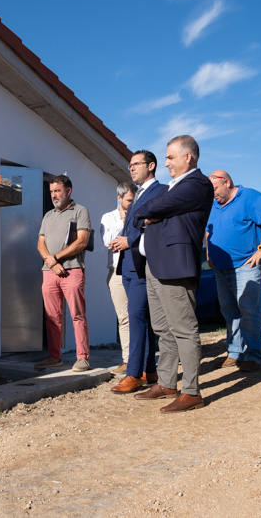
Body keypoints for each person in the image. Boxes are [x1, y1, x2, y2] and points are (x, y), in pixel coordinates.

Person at [132, 135, 214, 412]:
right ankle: (167, 382)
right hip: (155, 265)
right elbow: (141, 211)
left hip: (175, 265)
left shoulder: (197, 183)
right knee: (162, 328)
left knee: (183, 329)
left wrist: (156, 212)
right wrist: (154, 212)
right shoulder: (172, 188)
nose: (166, 163)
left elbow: (150, 208)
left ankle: (191, 391)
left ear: (187, 157)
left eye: (170, 157)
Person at [205, 171, 261, 372]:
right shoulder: (213, 205)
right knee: (229, 311)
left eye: (215, 189)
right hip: (221, 267)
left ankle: (253, 355)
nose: (213, 194)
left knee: (248, 309)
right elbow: (208, 231)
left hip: (246, 265)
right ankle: (234, 353)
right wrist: (209, 255)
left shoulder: (250, 197)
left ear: (227, 182)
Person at [108, 150, 166, 393]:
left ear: (151, 166)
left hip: (143, 266)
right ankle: (149, 369)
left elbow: (156, 225)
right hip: (129, 266)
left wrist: (128, 240)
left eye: (136, 164)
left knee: (136, 318)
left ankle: (133, 374)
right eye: (130, 165)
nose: (131, 168)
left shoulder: (161, 191)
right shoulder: (138, 193)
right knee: (142, 320)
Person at [35, 175, 92, 372]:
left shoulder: (80, 211)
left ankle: (83, 358)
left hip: (73, 270)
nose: (54, 195)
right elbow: (40, 243)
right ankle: (54, 357)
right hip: (49, 272)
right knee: (52, 318)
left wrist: (55, 258)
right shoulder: (48, 216)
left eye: (57, 191)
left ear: (68, 191)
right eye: (51, 191)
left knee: (78, 315)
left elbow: (82, 242)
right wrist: (51, 263)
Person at [100, 181, 137, 375]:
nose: (132, 203)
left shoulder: (139, 214)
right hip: (116, 271)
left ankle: (143, 358)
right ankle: (128, 359)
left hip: (138, 269)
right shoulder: (108, 217)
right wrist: (123, 222)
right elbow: (108, 241)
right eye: (129, 200)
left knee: (140, 315)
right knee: (124, 318)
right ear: (119, 198)